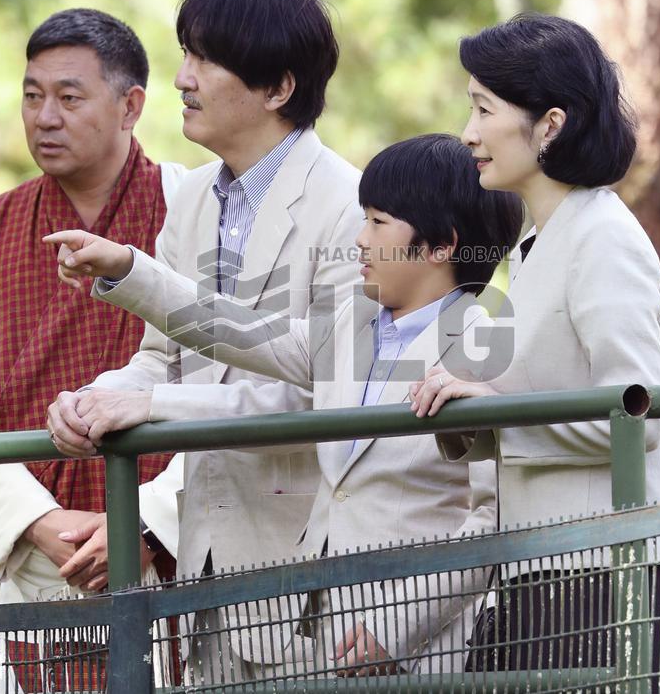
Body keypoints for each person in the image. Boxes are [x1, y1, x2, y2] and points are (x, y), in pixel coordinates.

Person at [45, 133, 524, 677]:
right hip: (321, 631)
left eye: (378, 222)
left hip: (419, 649)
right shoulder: (347, 327)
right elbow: (230, 327)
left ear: (441, 245)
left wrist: (395, 630)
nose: (360, 240)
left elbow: (492, 516)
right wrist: (127, 267)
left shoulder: (484, 350)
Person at [44, 0, 363, 684]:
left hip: (310, 577)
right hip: (202, 566)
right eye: (185, 52)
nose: (183, 77)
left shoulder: (351, 207)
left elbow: (317, 385)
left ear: (279, 88)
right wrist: (94, 397)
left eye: (206, 58)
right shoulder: (191, 199)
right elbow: (165, 357)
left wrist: (149, 401)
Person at [408, 13, 660, 689]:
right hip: (555, 568)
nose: (469, 132)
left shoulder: (600, 238)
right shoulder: (544, 242)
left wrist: (499, 405)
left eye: (483, 108)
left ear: (551, 124)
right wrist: (471, 402)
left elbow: (638, 415)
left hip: (614, 576)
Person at [0, 8, 183, 688]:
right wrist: (43, 523)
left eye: (69, 97)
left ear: (131, 104)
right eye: (31, 94)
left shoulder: (193, 211)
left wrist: (146, 521)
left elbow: (241, 388)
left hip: (167, 560)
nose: (45, 116)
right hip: (41, 562)